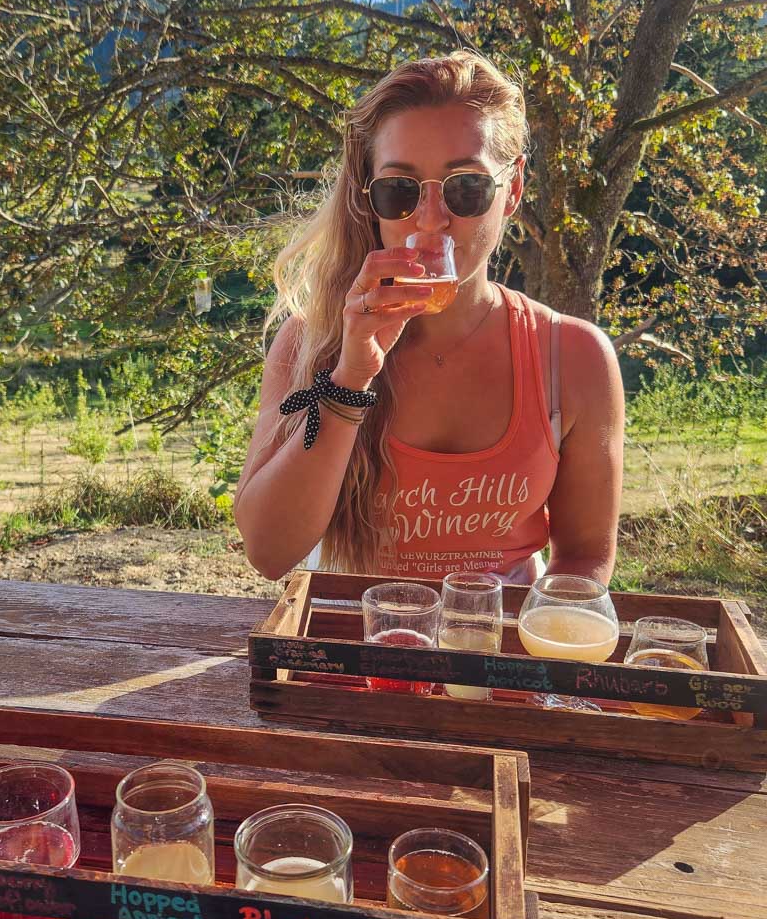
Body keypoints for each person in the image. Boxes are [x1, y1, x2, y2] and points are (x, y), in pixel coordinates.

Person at [235, 51, 624, 586]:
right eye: (400, 190)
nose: (432, 219)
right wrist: (350, 378)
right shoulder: (312, 340)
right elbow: (268, 550)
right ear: (369, 198)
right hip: (352, 649)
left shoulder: (573, 358)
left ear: (511, 190)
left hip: (490, 654)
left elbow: (583, 560)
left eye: (466, 187)